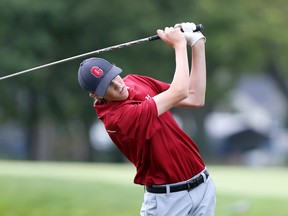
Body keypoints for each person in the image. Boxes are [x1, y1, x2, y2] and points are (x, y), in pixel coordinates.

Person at [77, 22, 216, 216]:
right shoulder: (117, 119)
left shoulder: (135, 81)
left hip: (203, 187)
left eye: (113, 76)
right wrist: (179, 46)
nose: (117, 85)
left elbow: (194, 96)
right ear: (95, 95)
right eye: (106, 86)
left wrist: (196, 42)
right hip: (167, 202)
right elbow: (179, 91)